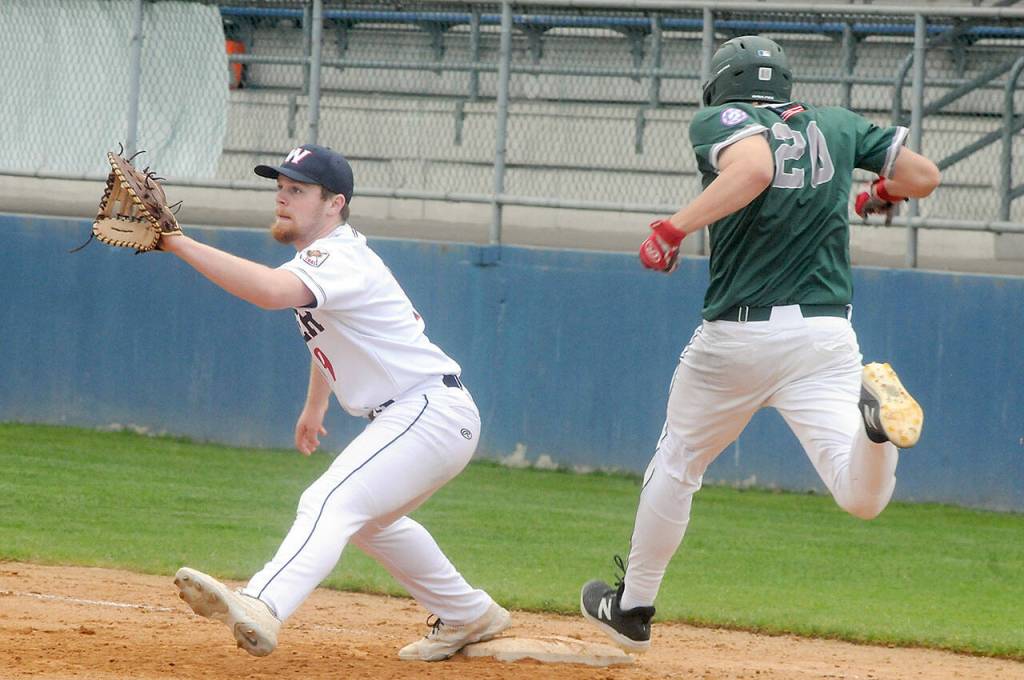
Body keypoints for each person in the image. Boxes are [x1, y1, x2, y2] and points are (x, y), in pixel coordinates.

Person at [579, 35, 940, 652]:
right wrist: (880, 193)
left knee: (678, 461)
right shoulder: (836, 121)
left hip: (740, 335)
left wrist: (672, 229)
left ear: (725, 84)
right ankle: (875, 426)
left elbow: (752, 167)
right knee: (859, 497)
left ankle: (633, 609)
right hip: (827, 337)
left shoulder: (727, 118)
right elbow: (924, 175)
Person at [166, 143, 511, 661]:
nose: (283, 198)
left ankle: (263, 601)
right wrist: (315, 405)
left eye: (298, 190)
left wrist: (177, 243)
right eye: (280, 188)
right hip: (426, 413)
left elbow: (267, 292)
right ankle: (468, 613)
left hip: (426, 411)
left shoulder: (338, 256)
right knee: (370, 524)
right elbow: (328, 334)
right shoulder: (323, 260)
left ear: (335, 203)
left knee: (328, 502)